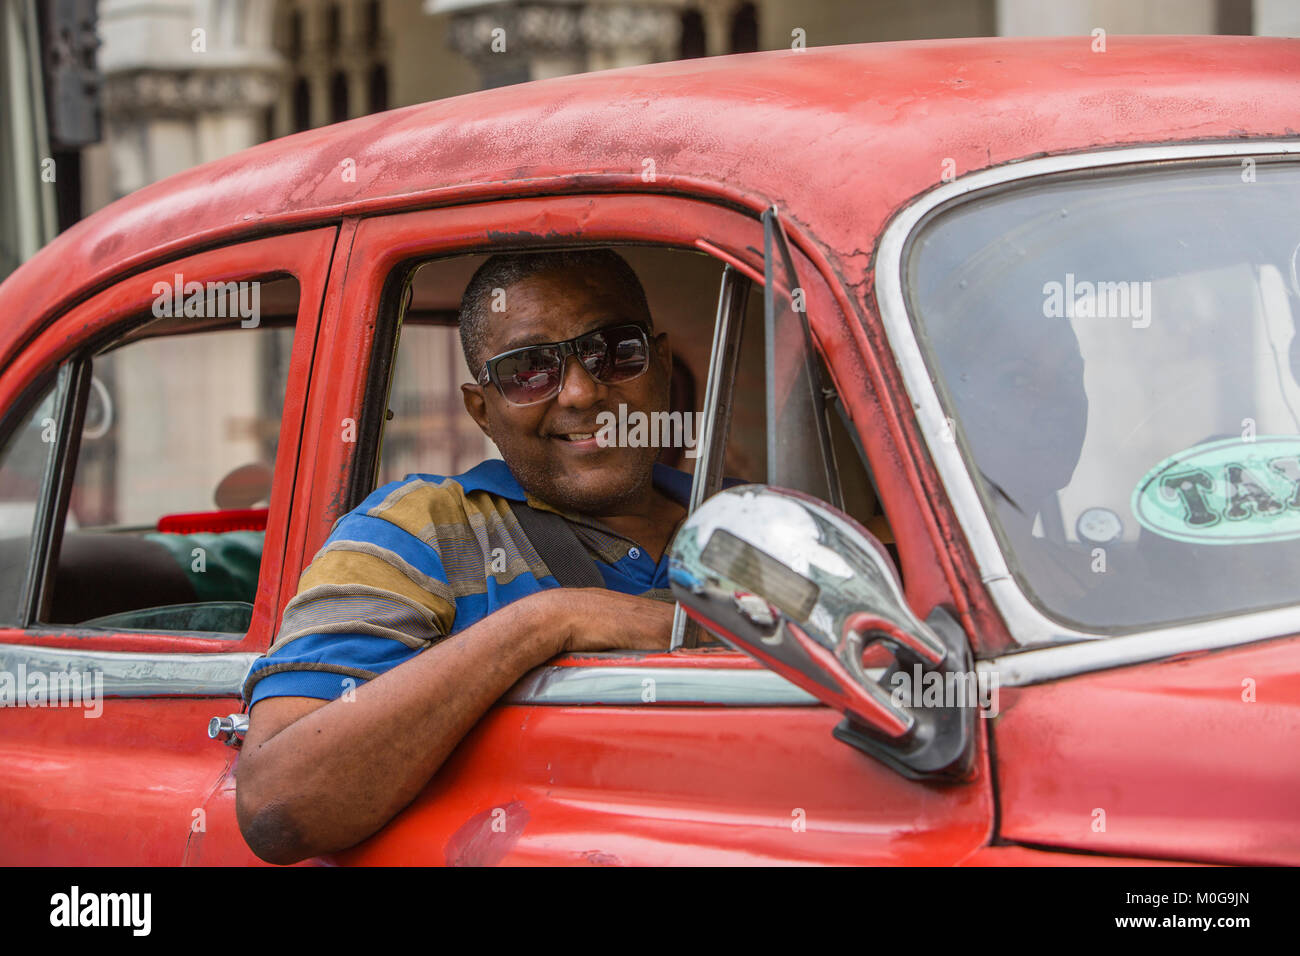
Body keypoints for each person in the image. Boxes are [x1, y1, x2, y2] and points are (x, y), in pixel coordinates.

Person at [235, 249, 692, 864]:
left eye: (613, 350)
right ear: (482, 410)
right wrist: (551, 620)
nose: (582, 393)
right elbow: (279, 804)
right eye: (529, 369)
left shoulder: (756, 528)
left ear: (659, 363)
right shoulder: (419, 529)